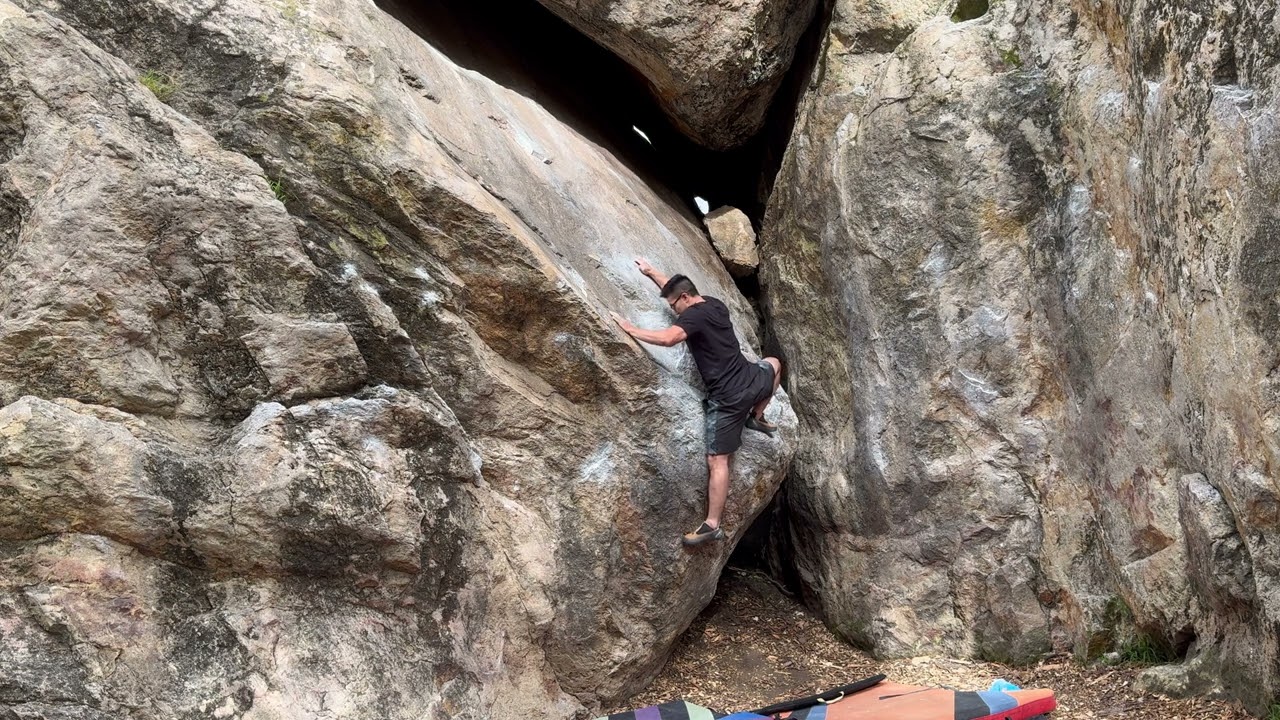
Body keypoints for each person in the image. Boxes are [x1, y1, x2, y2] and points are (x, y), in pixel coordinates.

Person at [610, 258, 782, 546]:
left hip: (728, 400)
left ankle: (712, 524)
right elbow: (678, 289)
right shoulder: (713, 304)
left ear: (685, 299)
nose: (673, 311)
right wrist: (652, 271)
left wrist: (631, 329)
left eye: (674, 306)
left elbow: (669, 339)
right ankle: (758, 415)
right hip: (752, 380)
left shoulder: (691, 318)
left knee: (718, 460)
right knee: (775, 363)